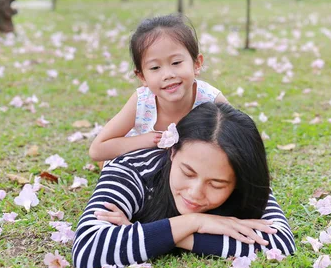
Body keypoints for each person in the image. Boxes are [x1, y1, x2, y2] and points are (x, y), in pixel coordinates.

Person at [72, 103, 296, 268]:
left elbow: (280, 244)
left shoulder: (244, 179)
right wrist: (195, 221)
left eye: (217, 184)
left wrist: (163, 234)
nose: (195, 193)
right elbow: (88, 248)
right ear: (172, 152)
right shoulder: (131, 167)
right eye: (188, 173)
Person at [89, 14, 228, 162]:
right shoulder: (142, 102)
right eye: (155, 67)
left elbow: (242, 139)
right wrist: (145, 141)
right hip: (143, 165)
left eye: (176, 62)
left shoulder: (211, 99)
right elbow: (97, 150)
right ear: (142, 76)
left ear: (196, 64)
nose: (167, 75)